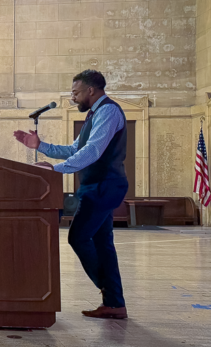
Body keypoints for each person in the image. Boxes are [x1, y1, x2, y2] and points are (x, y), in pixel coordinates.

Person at [13, 69, 129, 320]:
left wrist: (55, 170)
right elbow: (76, 148)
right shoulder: (94, 114)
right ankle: (114, 303)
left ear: (91, 90)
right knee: (102, 244)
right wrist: (40, 147)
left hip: (104, 185)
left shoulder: (108, 111)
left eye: (75, 92)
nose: (72, 97)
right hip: (96, 185)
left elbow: (93, 151)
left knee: (78, 237)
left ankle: (109, 292)